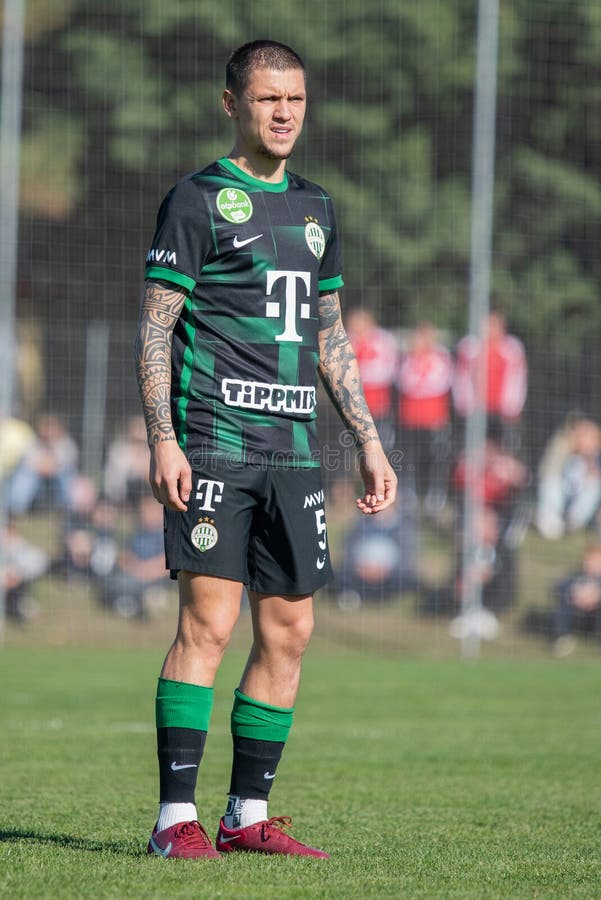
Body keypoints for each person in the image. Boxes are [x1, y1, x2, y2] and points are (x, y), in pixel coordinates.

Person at [135, 40, 397, 860]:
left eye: (295, 99)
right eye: (266, 99)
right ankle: (173, 820)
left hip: (294, 453)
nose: (283, 112)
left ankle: (245, 815)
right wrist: (163, 439)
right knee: (207, 626)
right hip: (213, 442)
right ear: (231, 105)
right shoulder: (196, 199)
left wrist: (368, 439)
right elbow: (155, 327)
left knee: (289, 631)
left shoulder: (316, 207)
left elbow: (328, 335)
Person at [397, 322, 454, 514]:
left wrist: (420, 384)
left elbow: (440, 382)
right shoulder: (407, 359)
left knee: (437, 457)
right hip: (410, 417)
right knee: (408, 457)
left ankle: (435, 496)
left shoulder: (441, 357)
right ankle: (408, 494)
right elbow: (404, 382)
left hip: (434, 418)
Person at [454, 310, 527, 453]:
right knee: (473, 448)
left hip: (502, 411)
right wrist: (464, 403)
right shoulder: (470, 347)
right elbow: (461, 378)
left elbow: (518, 379)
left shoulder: (511, 349)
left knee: (504, 448)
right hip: (476, 410)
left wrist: (514, 406)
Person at [536, 416, 601, 540]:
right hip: (562, 494)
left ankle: (573, 524)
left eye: (590, 435)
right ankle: (550, 521)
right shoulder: (562, 447)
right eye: (583, 434)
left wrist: (590, 459)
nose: (586, 439)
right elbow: (548, 471)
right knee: (550, 481)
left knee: (594, 484)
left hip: (580, 503)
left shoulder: (597, 456)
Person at [345, 307, 399, 454]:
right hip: (352, 399)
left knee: (380, 440)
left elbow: (388, 369)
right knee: (351, 443)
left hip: (378, 399)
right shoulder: (348, 340)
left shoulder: (382, 340)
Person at [551, 543, 601, 657]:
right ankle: (563, 638)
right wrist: (574, 594)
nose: (588, 564)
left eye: (593, 561)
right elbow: (558, 588)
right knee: (563, 602)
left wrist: (597, 596)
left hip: (596, 613)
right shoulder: (577, 576)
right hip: (577, 612)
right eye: (587, 560)